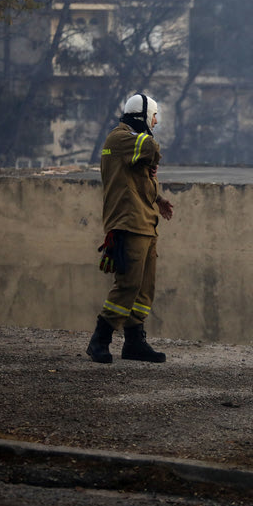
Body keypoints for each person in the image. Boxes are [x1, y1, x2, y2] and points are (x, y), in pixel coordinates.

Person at [86, 93, 174, 364]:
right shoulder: (120, 138)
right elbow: (153, 150)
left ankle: (134, 342)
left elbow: (137, 177)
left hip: (146, 222)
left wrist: (158, 199)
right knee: (127, 285)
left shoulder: (131, 143)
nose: (156, 122)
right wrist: (151, 157)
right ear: (144, 115)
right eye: (154, 116)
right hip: (129, 222)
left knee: (145, 287)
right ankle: (100, 340)